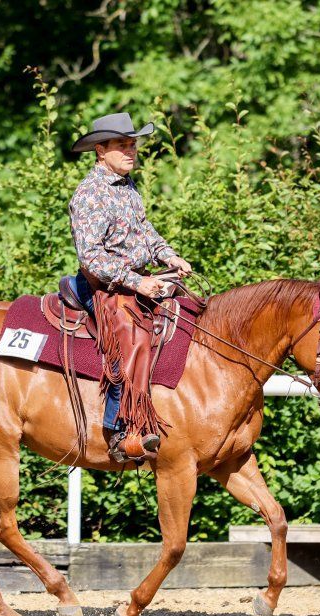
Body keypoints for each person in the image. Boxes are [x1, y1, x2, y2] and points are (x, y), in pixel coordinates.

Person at [68, 112, 192, 461]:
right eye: (122, 145)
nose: (130, 152)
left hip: (137, 281)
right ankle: (120, 431)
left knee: (189, 312)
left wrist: (170, 257)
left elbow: (145, 232)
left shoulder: (127, 187)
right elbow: (91, 257)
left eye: (132, 145)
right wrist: (139, 283)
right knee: (130, 339)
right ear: (100, 150)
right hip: (104, 286)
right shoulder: (90, 195)